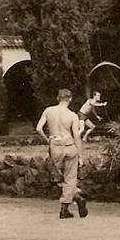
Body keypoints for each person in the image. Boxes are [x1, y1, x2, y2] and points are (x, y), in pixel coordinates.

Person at [36, 89, 86, 219]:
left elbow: (38, 128)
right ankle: (65, 208)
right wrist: (80, 155)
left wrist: (48, 139)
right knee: (70, 178)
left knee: (61, 178)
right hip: (69, 145)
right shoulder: (72, 115)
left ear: (58, 98)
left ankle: (78, 198)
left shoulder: (48, 111)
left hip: (55, 147)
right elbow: (76, 136)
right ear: (70, 99)